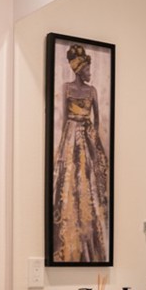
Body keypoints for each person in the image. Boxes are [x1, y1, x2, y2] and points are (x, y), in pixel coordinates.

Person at [52, 43, 110, 263]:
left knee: (88, 178)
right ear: (78, 69)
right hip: (70, 135)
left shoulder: (92, 91)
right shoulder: (66, 88)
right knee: (69, 177)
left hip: (86, 135)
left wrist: (95, 145)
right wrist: (63, 145)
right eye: (86, 69)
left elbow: (97, 120)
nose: (89, 73)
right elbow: (63, 118)